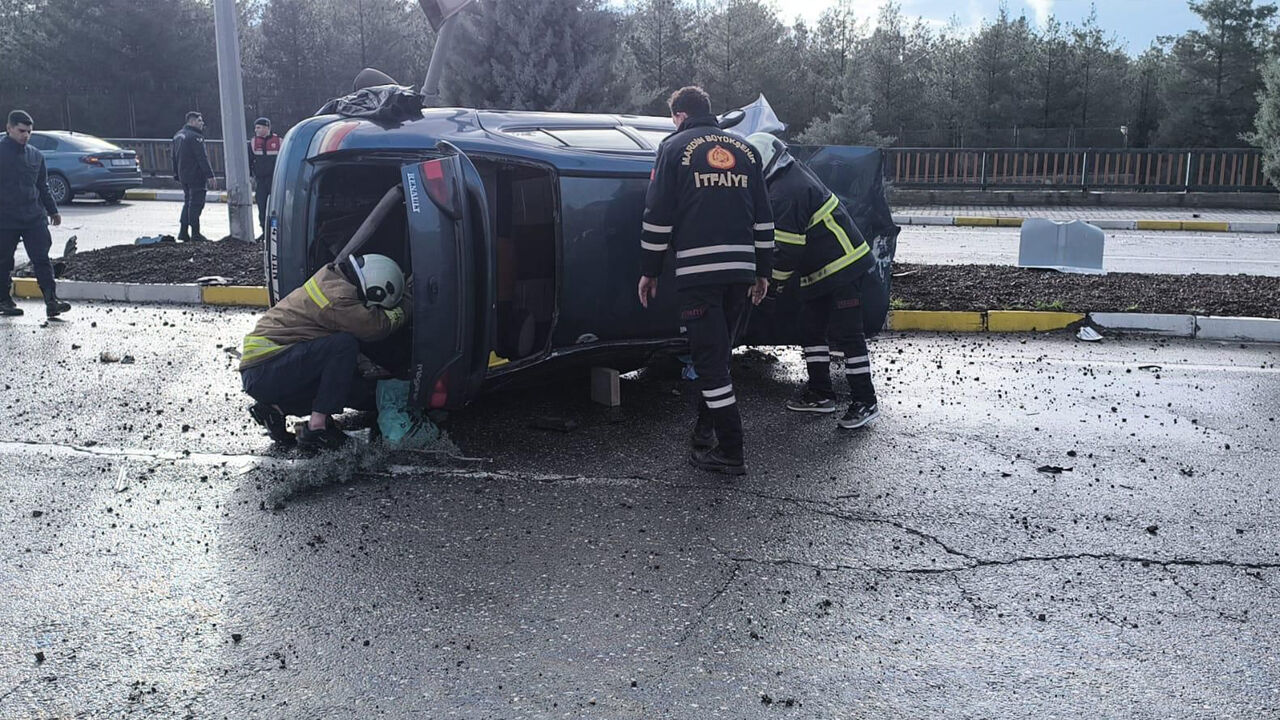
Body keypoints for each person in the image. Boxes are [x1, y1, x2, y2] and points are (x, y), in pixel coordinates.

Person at [638, 86, 774, 476]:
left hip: (699, 274)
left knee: (709, 362)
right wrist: (763, 270)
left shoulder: (672, 148)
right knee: (719, 356)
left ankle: (731, 451)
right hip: (741, 272)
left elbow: (657, 215)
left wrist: (650, 269)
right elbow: (764, 218)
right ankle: (704, 431)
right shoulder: (746, 150)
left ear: (679, 115)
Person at [746, 132, 879, 429]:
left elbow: (786, 251)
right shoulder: (789, 175)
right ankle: (820, 394)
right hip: (822, 269)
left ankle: (865, 401)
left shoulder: (785, 191)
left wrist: (770, 289)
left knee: (849, 335)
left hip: (843, 267)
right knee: (811, 329)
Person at [239, 253, 411, 451]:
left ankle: (274, 411)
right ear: (376, 291)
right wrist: (408, 301)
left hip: (263, 370)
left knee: (340, 384)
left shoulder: (334, 278)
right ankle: (318, 428)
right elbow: (376, 326)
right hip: (266, 367)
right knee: (344, 345)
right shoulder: (338, 299)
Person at [0, 110, 69, 318]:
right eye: (21, 131)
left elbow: (42, 186)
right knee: (4, 261)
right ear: (9, 128)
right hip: (5, 218)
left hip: (33, 216)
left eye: (29, 132)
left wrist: (53, 210)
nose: (26, 135)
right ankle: (4, 301)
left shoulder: (35, 155)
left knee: (41, 259)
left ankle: (51, 301)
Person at [172, 111, 214, 242]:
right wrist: (210, 175)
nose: (202, 123)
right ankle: (196, 234)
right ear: (192, 121)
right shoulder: (196, 137)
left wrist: (176, 173)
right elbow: (202, 157)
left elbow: (173, 157)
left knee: (187, 203)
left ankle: (183, 232)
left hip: (183, 175)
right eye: (199, 120)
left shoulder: (178, 135)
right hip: (196, 175)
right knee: (196, 204)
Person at [248, 117, 282, 238]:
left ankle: (277, 233)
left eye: (259, 127)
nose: (256, 130)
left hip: (275, 180)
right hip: (261, 181)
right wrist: (250, 176)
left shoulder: (279, 142)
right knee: (262, 207)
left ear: (267, 128)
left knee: (276, 208)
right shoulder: (253, 143)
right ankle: (264, 233)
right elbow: (249, 161)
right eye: (255, 128)